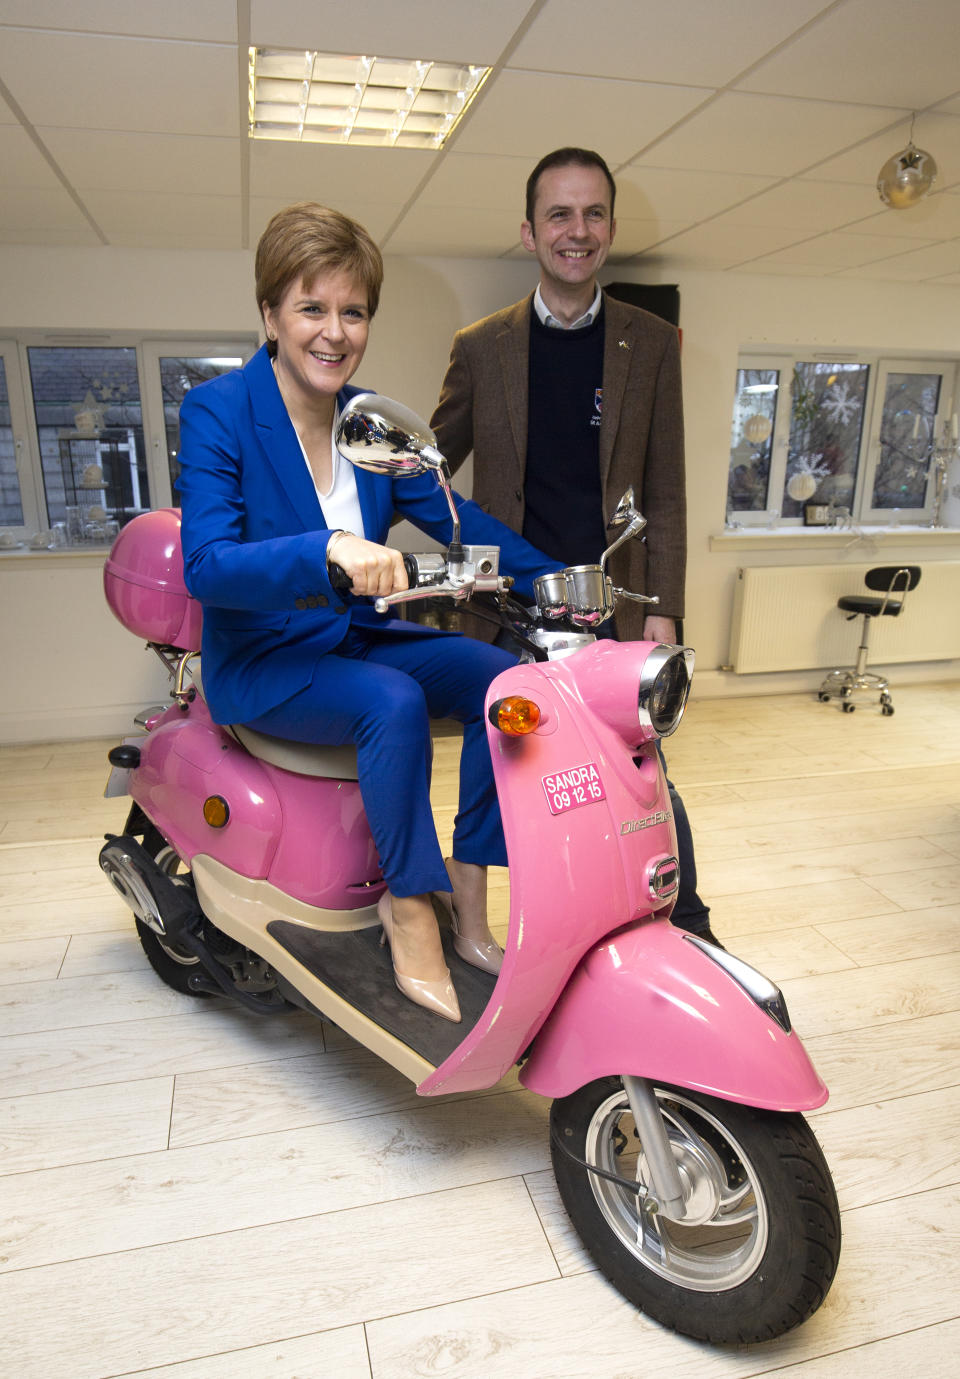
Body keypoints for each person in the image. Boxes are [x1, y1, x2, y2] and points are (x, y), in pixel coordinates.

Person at [176, 202, 561, 1025]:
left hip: (352, 636)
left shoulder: (370, 420)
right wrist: (328, 550)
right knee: (392, 703)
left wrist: (561, 578)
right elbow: (207, 566)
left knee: (507, 684)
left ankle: (468, 881)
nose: (334, 332)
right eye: (311, 307)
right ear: (270, 315)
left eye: (353, 312)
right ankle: (410, 905)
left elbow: (461, 520)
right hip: (264, 659)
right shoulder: (220, 412)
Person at [430, 148, 719, 944]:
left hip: (611, 607)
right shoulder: (481, 346)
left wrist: (664, 610)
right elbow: (429, 469)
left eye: (593, 214)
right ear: (530, 231)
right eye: (559, 214)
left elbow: (665, 486)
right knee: (496, 771)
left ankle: (679, 923)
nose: (577, 230)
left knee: (635, 773)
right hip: (509, 609)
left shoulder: (650, 342)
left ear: (612, 229)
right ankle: (475, 927)